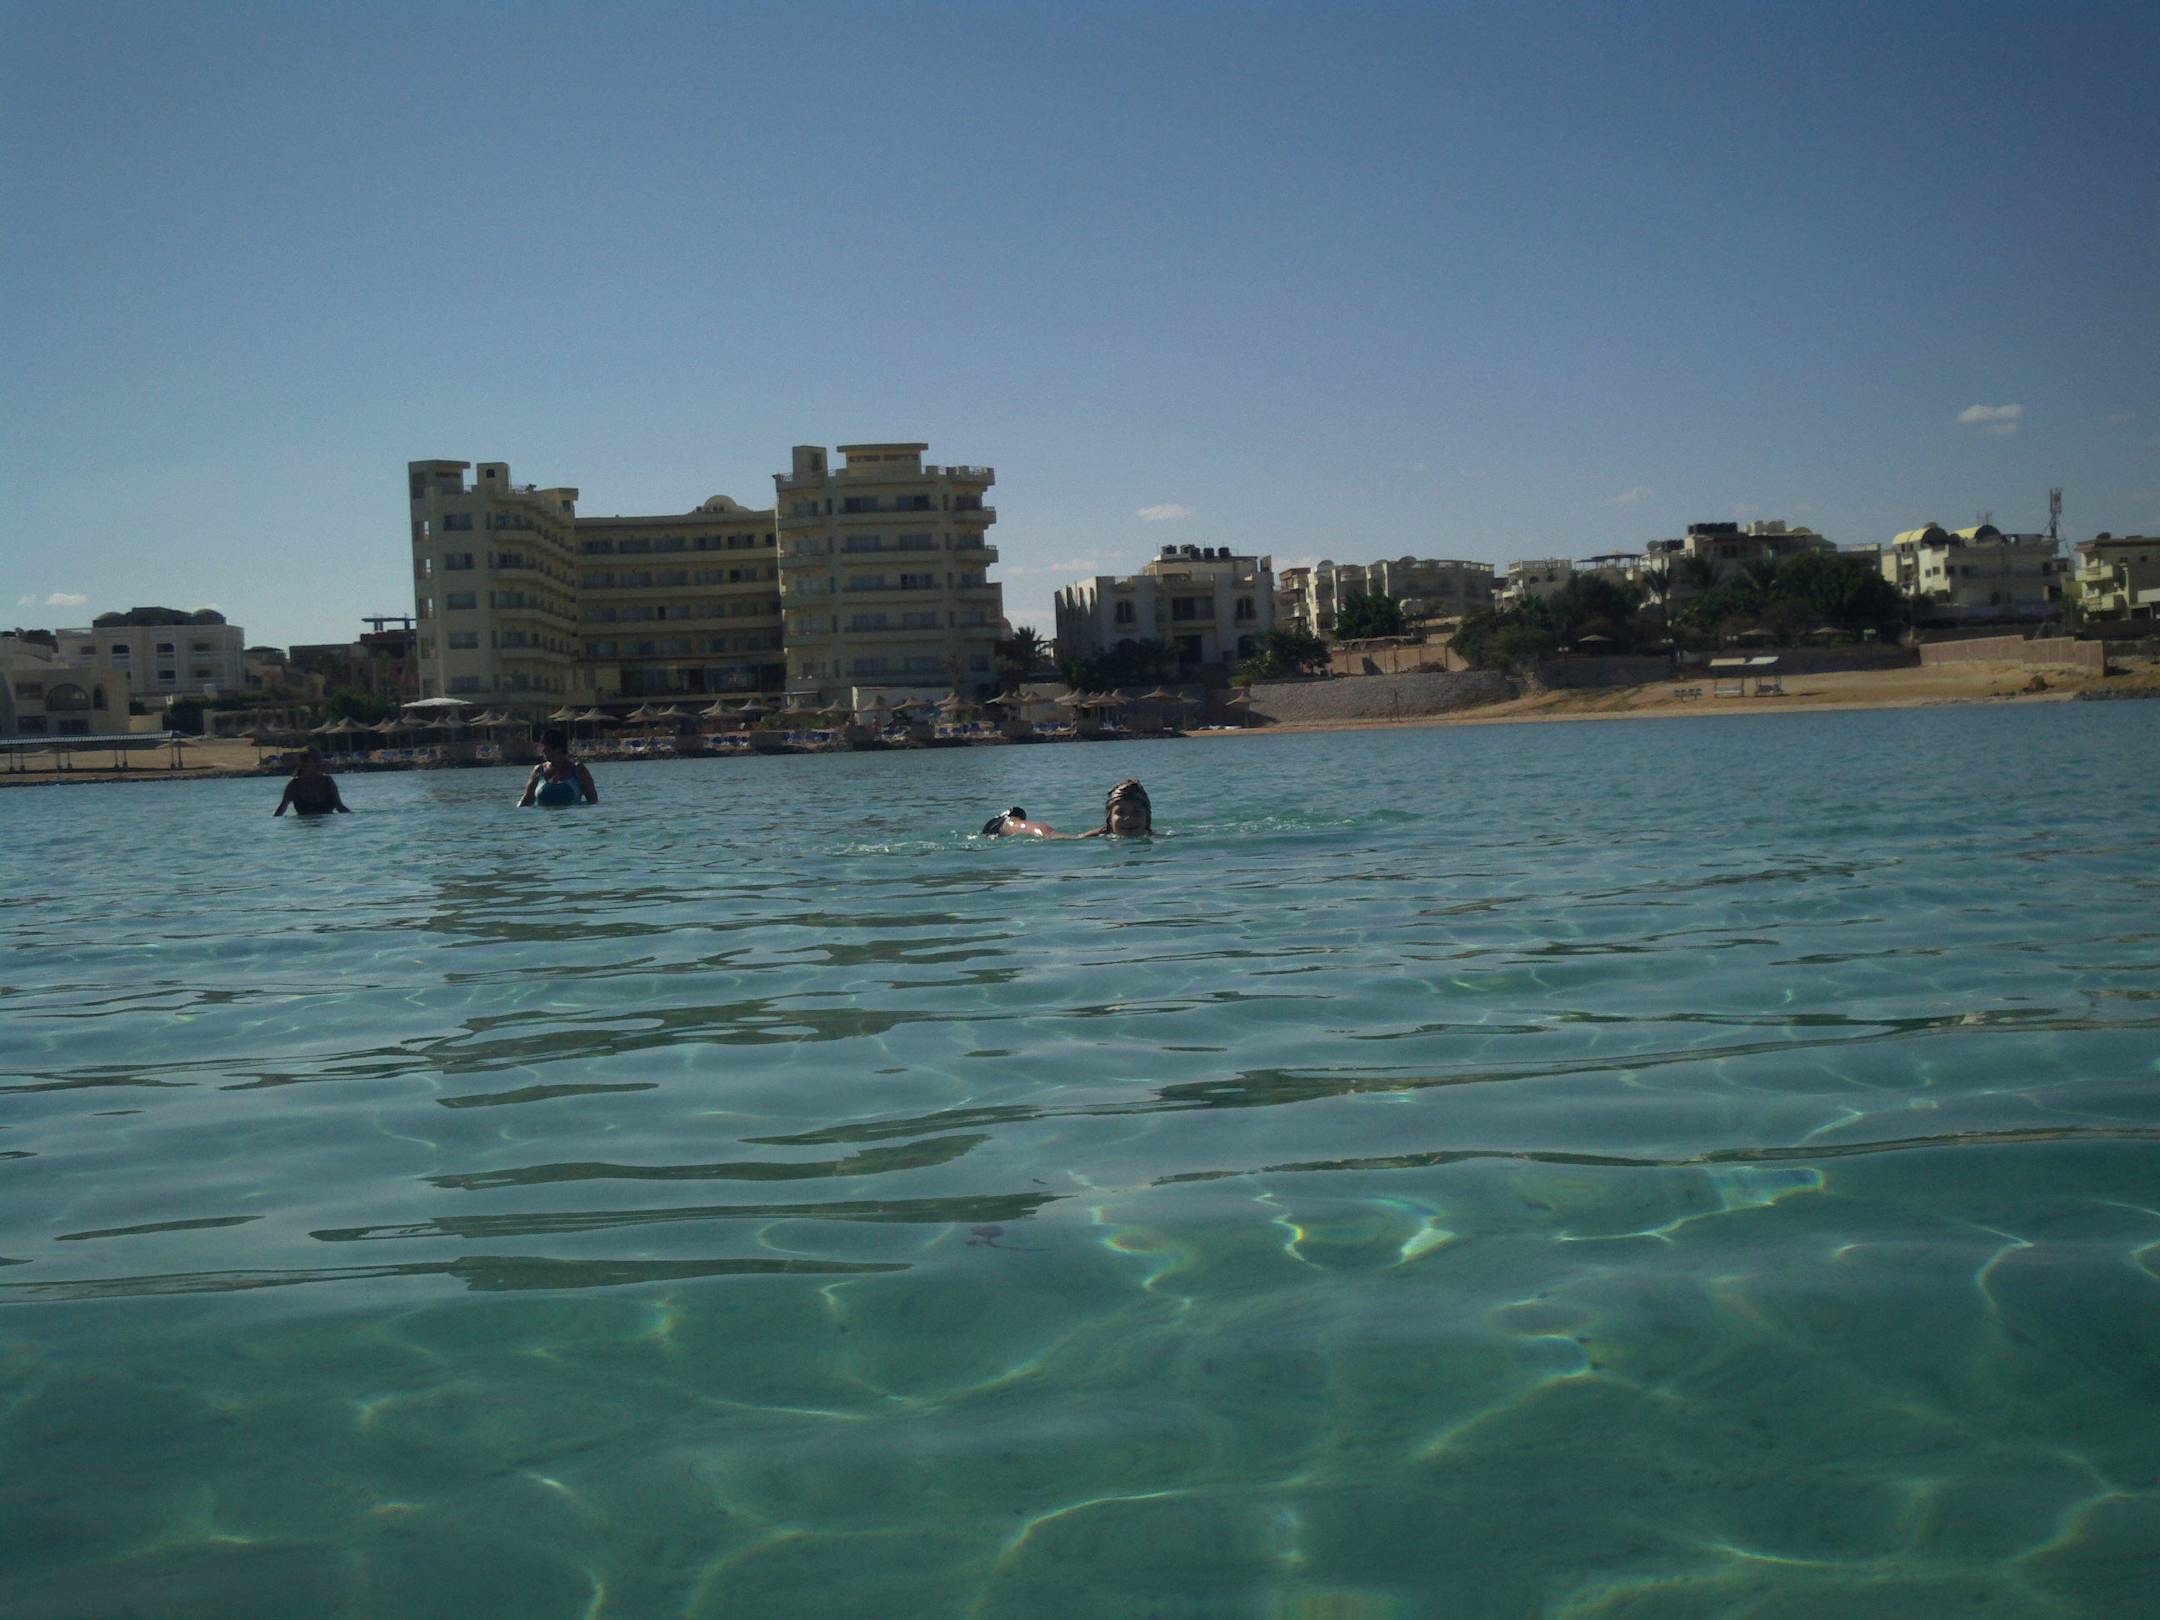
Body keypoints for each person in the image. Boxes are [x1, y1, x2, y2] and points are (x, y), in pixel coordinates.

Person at [982, 779, 1152, 839]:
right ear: (1109, 818)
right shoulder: (1102, 836)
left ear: (1147, 817)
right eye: (1120, 812)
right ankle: (1010, 821)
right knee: (1049, 835)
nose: (1129, 818)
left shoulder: (1156, 838)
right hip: (1004, 824)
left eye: (1137, 813)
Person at [518, 727, 599, 807]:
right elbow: (526, 800)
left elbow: (593, 801)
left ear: (558, 749)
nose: (543, 751)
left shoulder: (578, 769)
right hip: (544, 815)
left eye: (546, 748)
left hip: (572, 815)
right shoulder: (539, 770)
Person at [272, 747, 351, 816]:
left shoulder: (328, 782)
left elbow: (340, 807)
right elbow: (281, 809)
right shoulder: (294, 785)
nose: (305, 764)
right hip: (304, 826)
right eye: (304, 760)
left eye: (309, 760)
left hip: (326, 826)